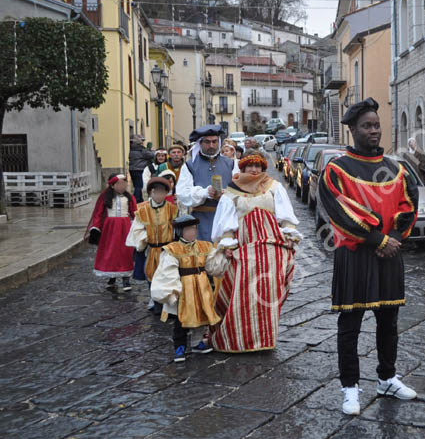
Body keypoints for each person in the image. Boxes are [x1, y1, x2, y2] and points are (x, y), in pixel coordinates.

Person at [318, 97, 419, 416]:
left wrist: (396, 238)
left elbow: (409, 203)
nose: (374, 131)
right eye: (367, 126)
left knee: (388, 322)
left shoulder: (396, 167)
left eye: (376, 125)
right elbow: (340, 210)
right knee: (350, 325)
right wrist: (378, 238)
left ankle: (387, 378)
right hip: (354, 255)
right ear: (352, 130)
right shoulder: (336, 169)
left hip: (389, 253)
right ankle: (350, 388)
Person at [207, 150, 301, 353]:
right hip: (244, 249)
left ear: (263, 168)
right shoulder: (231, 192)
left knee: (268, 294)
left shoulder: (274, 187)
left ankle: (265, 338)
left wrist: (291, 236)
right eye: (249, 165)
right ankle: (239, 339)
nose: (254, 169)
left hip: (271, 250)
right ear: (242, 168)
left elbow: (285, 217)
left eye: (257, 166)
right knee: (241, 294)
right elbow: (226, 223)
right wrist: (227, 245)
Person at [150, 215, 221, 362]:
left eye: (194, 229)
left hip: (201, 287)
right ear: (180, 231)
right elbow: (167, 271)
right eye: (188, 229)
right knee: (180, 319)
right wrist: (172, 291)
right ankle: (179, 346)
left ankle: (197, 342)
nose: (192, 232)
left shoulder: (204, 246)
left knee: (202, 315)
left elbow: (212, 266)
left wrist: (223, 256)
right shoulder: (173, 249)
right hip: (184, 289)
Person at [126, 177, 178, 313]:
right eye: (156, 192)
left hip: (167, 249)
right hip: (151, 249)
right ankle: (155, 300)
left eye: (163, 192)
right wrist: (144, 238)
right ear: (151, 193)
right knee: (151, 274)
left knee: (167, 275)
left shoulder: (172, 209)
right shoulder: (142, 209)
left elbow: (176, 228)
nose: (159, 195)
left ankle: (167, 302)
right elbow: (137, 229)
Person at [176, 125, 236, 242]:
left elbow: (240, 191)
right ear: (200, 143)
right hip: (201, 221)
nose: (211, 145)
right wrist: (204, 192)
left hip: (227, 219)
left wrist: (225, 195)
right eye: (207, 142)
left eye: (214, 142)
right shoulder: (190, 166)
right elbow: (182, 193)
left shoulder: (231, 164)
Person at [85, 174, 137, 291]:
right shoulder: (105, 197)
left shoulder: (129, 198)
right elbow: (98, 214)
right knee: (111, 252)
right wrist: (95, 228)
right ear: (112, 185)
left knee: (125, 251)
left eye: (124, 184)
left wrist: (138, 225)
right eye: (119, 184)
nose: (122, 186)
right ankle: (112, 277)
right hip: (110, 229)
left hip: (125, 228)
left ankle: (126, 278)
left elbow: (135, 212)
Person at [129, 134, 155, 203]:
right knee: (139, 186)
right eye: (142, 140)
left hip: (132, 169)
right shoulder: (142, 150)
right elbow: (152, 155)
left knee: (136, 185)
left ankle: (140, 200)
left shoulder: (131, 149)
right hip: (139, 169)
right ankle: (135, 201)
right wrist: (152, 150)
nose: (143, 142)